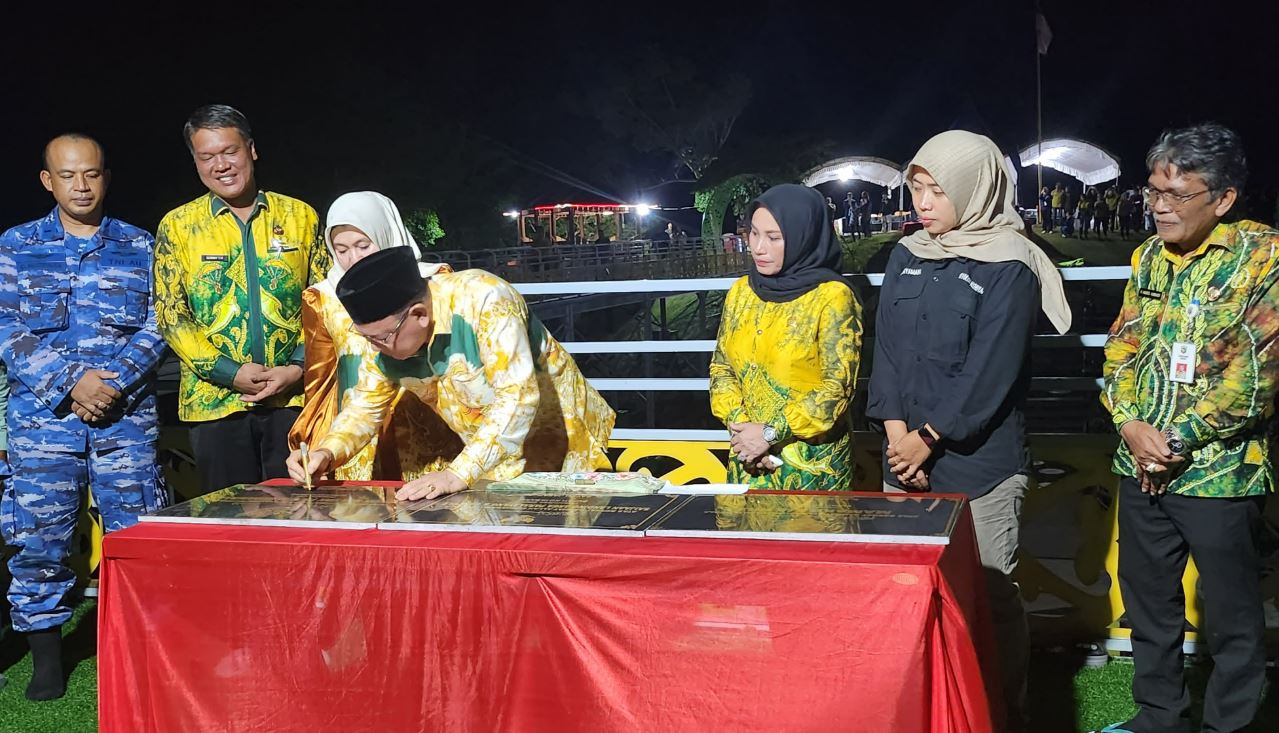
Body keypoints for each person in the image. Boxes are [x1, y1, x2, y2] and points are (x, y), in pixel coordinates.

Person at [865, 130, 1072, 732]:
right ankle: (929, 706)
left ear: (974, 188)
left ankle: (998, 712)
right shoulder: (907, 255)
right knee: (912, 588)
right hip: (904, 457)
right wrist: (898, 436)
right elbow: (889, 353)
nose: (924, 203)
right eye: (917, 189)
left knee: (989, 595)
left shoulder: (1010, 263)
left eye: (938, 190)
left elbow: (992, 370)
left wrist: (927, 438)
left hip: (982, 466)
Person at [1098, 123, 1274, 733]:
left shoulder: (1263, 256)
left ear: (1223, 199)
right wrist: (1130, 424)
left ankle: (1229, 726)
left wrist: (1174, 440)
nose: (1160, 206)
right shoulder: (1148, 256)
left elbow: (1257, 377)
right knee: (1148, 605)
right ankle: (1159, 717)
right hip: (1139, 466)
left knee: (1232, 618)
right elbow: (1121, 347)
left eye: (1178, 194)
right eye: (1154, 191)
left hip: (1221, 475)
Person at [0, 134, 169, 700]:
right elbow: (6, 327)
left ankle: (138, 646)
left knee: (137, 534)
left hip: (125, 419)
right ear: (47, 181)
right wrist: (70, 382)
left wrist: (112, 381)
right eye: (68, 175)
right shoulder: (16, 245)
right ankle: (48, 656)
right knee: (39, 537)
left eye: (92, 174)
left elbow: (162, 323)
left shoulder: (140, 245)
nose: (81, 186)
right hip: (43, 422)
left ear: (106, 177)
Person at [286, 241, 616, 500]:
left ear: (419, 315)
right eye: (366, 338)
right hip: (488, 453)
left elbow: (518, 397)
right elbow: (364, 407)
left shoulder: (485, 299)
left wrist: (459, 473)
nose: (373, 349)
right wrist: (327, 452)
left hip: (560, 436)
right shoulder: (384, 338)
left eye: (380, 339)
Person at [153, 105, 330, 494]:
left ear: (251, 149)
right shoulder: (178, 226)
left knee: (299, 509)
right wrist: (228, 372)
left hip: (293, 401)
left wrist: (296, 368)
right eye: (207, 156)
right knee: (230, 517)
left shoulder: (301, 217)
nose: (220, 165)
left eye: (229, 151)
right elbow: (171, 316)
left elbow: (324, 304)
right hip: (214, 405)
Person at [288, 192, 462, 481]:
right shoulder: (322, 297)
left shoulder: (435, 283)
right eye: (341, 250)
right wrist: (319, 445)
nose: (354, 259)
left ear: (386, 234)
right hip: (356, 429)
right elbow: (321, 379)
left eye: (363, 245)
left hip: (425, 423)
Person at [708, 184, 861, 490]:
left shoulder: (832, 298)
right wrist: (743, 429)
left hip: (811, 469)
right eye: (753, 233)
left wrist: (769, 433)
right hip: (747, 458)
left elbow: (837, 389)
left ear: (804, 236)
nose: (758, 247)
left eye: (774, 237)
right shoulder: (741, 293)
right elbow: (721, 368)